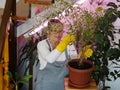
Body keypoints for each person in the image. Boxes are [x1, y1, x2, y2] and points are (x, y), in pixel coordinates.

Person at [35, 19, 77, 90]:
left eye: (60, 31)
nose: (58, 34)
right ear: (48, 32)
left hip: (62, 87)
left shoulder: (68, 46)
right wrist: (63, 44)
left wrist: (83, 55)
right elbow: (50, 59)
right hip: (44, 87)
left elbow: (75, 64)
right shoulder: (42, 45)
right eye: (55, 31)